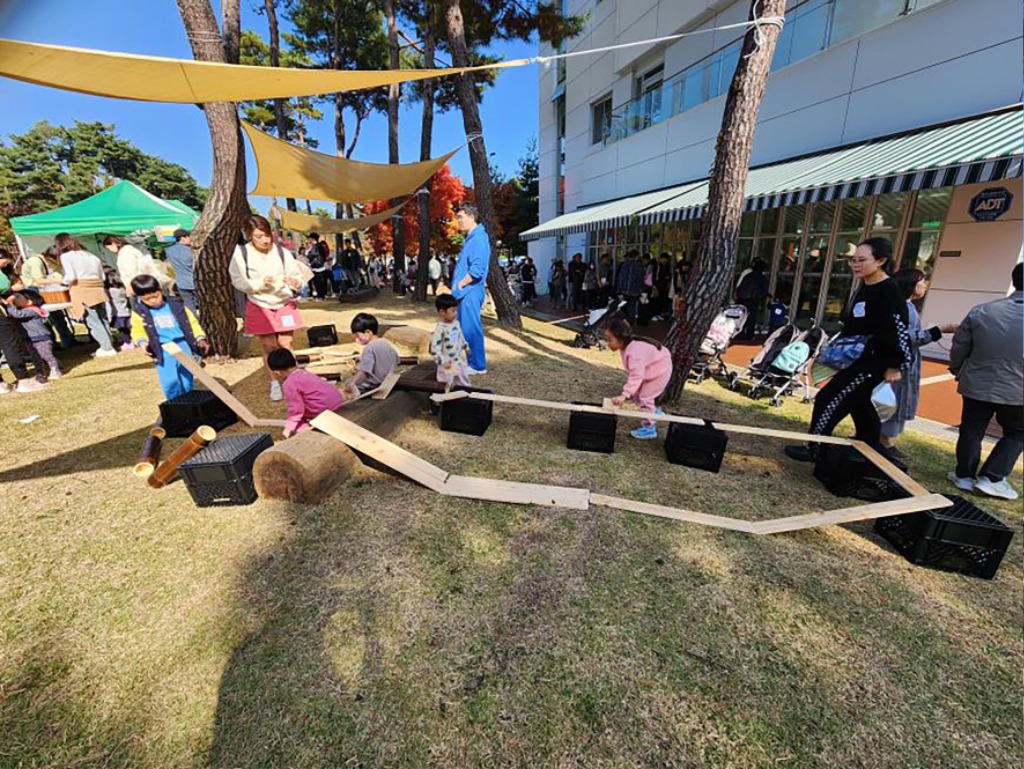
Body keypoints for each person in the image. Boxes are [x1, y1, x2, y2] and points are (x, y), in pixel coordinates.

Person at [785, 238, 910, 463]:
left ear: (881, 261)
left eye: (862, 260)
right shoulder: (865, 286)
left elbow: (898, 329)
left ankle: (815, 448)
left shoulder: (889, 289)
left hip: (873, 361)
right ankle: (870, 448)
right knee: (859, 404)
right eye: (853, 260)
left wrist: (895, 364)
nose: (855, 265)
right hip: (856, 358)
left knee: (828, 398)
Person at [946, 263, 1023, 501]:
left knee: (971, 429)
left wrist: (958, 368)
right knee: (1017, 433)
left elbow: (960, 344)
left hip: (976, 382)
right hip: (1018, 389)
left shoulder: (983, 310)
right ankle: (993, 477)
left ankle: (964, 475)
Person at [229, 214, 306, 401]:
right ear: (249, 236)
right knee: (269, 346)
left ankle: (294, 380)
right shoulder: (241, 253)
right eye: (258, 236)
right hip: (260, 303)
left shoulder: (281, 252)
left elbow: (297, 275)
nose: (264, 240)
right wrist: (258, 284)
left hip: (283, 301)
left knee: (286, 344)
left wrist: (294, 282)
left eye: (266, 234)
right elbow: (237, 280)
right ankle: (274, 383)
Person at [880, 269, 955, 456]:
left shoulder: (900, 306)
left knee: (887, 399)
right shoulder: (906, 309)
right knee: (894, 400)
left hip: (896, 361)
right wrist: (940, 330)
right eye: (922, 281)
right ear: (910, 286)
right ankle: (883, 440)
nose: (925, 284)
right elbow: (908, 338)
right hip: (899, 364)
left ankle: (881, 437)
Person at [130, 274, 209, 400]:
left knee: (186, 376)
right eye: (147, 299)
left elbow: (192, 322)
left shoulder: (177, 305)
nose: (153, 301)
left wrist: (200, 338)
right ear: (139, 297)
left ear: (160, 289)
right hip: (162, 349)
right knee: (169, 381)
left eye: (155, 296)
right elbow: (138, 330)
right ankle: (175, 404)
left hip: (183, 344)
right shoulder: (139, 312)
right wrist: (142, 342)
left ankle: (188, 400)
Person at [605, 318, 673, 440]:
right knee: (638, 394)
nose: (608, 344)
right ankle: (653, 412)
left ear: (621, 339)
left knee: (645, 397)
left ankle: (649, 428)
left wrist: (624, 395)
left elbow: (636, 376)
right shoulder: (627, 346)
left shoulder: (634, 352)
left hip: (661, 369)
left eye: (610, 340)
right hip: (653, 366)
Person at [58, 233, 118, 357]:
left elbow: (71, 276)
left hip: (82, 290)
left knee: (93, 320)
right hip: (98, 288)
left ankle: (106, 348)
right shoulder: (91, 255)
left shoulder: (67, 256)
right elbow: (102, 276)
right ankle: (109, 344)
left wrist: (62, 282)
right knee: (102, 318)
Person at [267, 348, 345, 438]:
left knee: (300, 422)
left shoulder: (289, 383)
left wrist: (290, 426)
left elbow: (296, 408)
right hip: (337, 402)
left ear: (278, 372)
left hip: (324, 410)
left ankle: (305, 429)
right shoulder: (305, 373)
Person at [451, 202, 490, 375]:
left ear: (471, 217)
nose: (458, 221)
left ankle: (478, 365)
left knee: (471, 328)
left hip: (470, 291)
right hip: (466, 291)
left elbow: (477, 269)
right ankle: (472, 362)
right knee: (465, 328)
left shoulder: (479, 239)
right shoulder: (472, 238)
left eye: (460, 217)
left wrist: (461, 284)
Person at [19, 245, 76, 348]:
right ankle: (51, 343)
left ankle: (68, 340)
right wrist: (58, 281)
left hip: (47, 290)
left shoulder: (54, 262)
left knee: (58, 315)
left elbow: (59, 274)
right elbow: (39, 280)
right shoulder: (36, 261)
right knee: (44, 317)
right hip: (33, 291)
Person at [4, 291, 61, 380]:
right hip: (30, 339)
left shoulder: (33, 310)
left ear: (29, 301)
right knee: (35, 357)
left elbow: (17, 315)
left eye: (18, 297)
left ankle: (55, 370)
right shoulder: (24, 310)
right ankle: (41, 373)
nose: (14, 298)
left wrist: (10, 304)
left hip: (40, 338)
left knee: (46, 355)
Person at [345, 312, 400, 392]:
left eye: (358, 335)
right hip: (390, 381)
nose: (356, 338)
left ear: (368, 332)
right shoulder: (385, 342)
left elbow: (364, 372)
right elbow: (397, 359)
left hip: (377, 384)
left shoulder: (369, 348)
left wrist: (353, 381)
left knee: (347, 382)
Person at [103, 235, 170, 297]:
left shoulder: (125, 253)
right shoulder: (129, 250)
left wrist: (132, 287)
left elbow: (131, 271)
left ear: (113, 243)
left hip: (139, 285)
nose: (110, 250)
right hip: (143, 283)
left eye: (109, 248)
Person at [430, 293, 471, 388]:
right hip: (447, 362)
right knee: (447, 382)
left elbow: (460, 337)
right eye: (453, 311)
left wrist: (466, 346)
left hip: (458, 359)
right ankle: (443, 399)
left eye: (456, 310)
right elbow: (435, 347)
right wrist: (442, 360)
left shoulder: (456, 324)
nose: (456, 313)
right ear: (442, 312)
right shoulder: (440, 329)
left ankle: (466, 394)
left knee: (462, 378)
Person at [164, 229, 198, 315]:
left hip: (181, 283)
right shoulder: (190, 251)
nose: (191, 239)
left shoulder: (168, 250)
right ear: (183, 238)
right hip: (195, 282)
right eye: (189, 237)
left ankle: (193, 323)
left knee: (189, 306)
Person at [735, 257, 769, 340]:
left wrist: (736, 294)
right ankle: (750, 335)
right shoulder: (761, 275)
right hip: (754, 298)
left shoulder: (747, 272)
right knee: (752, 317)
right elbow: (763, 289)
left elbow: (739, 285)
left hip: (743, 297)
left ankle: (740, 333)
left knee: (742, 316)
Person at [104, 268, 134, 349]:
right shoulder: (122, 289)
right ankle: (131, 340)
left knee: (122, 330)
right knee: (128, 328)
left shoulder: (110, 291)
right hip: (126, 311)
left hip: (118, 313)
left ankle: (128, 342)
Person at [615, 249, 645, 324]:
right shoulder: (639, 265)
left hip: (624, 290)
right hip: (634, 291)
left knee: (623, 306)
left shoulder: (625, 264)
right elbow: (641, 278)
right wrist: (641, 289)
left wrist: (619, 288)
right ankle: (630, 323)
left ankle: (623, 322)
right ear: (637, 256)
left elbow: (621, 277)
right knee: (632, 307)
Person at [305, 232, 332, 300]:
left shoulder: (317, 246)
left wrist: (308, 254)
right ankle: (320, 295)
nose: (309, 240)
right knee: (318, 282)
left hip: (318, 266)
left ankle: (321, 296)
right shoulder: (316, 246)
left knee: (319, 282)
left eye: (310, 238)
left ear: (313, 239)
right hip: (317, 266)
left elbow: (314, 254)